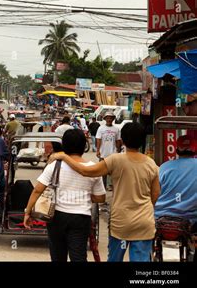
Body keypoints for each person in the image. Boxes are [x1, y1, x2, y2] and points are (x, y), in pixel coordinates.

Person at [50, 122, 161, 262]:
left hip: (121, 221)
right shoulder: (151, 164)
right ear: (142, 141)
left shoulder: (116, 160)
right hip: (144, 222)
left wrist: (64, 157)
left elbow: (85, 171)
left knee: (115, 258)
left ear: (124, 140)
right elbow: (156, 194)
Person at [23, 129, 106, 262]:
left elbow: (38, 190)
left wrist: (28, 212)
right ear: (84, 146)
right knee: (78, 257)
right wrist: (85, 195)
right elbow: (101, 198)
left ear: (64, 146)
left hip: (57, 217)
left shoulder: (54, 165)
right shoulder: (93, 168)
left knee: (58, 257)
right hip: (81, 218)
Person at [154, 135, 197, 229]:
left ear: (177, 149)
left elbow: (155, 192)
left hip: (161, 217)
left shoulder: (164, 167)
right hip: (191, 220)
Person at [96, 111, 121, 190]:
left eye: (111, 118)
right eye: (108, 118)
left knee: (113, 171)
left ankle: (111, 186)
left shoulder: (116, 129)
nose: (109, 119)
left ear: (113, 119)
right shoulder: (101, 128)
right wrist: (97, 150)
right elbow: (98, 140)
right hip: (103, 153)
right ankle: (103, 186)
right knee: (102, 172)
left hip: (113, 153)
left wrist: (118, 150)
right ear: (105, 119)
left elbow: (117, 140)